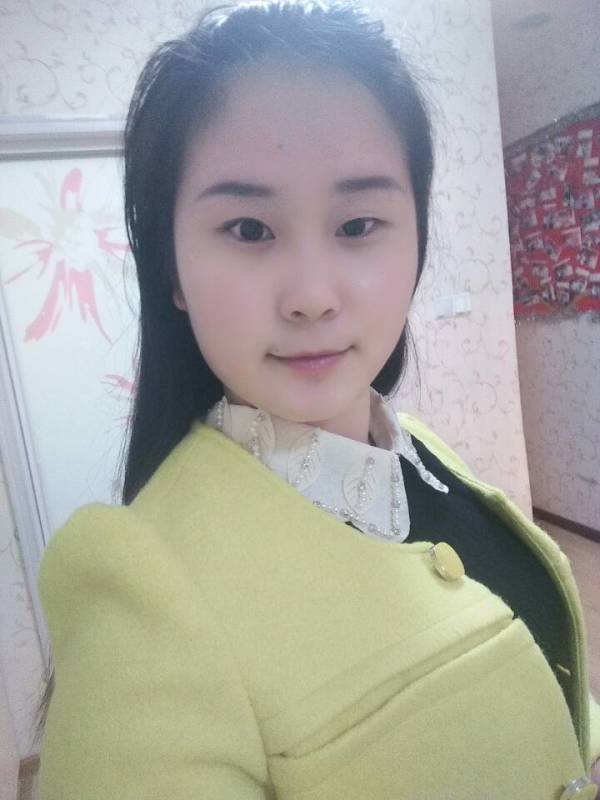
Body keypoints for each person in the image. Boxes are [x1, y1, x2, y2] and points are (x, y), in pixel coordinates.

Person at [35, 1, 600, 797]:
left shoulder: (420, 451)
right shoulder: (142, 593)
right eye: (249, 230)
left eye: (359, 224)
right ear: (171, 272)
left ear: (416, 238)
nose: (311, 296)